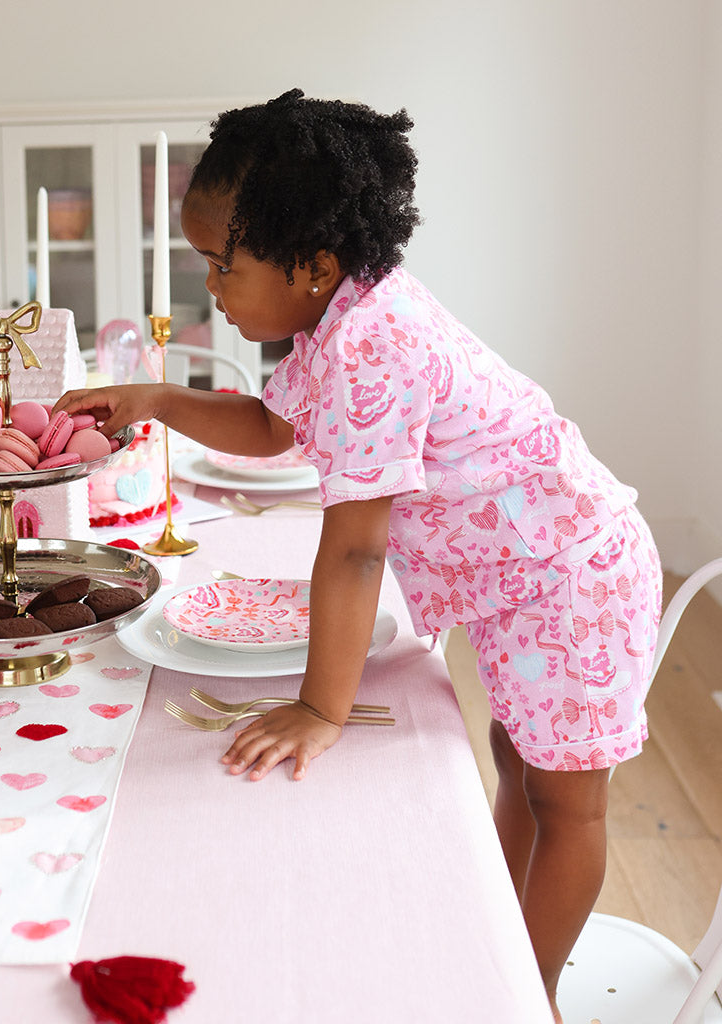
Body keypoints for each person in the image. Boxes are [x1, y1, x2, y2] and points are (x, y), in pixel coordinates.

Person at [52, 89, 662, 1021]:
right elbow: (268, 424)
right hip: (524, 580)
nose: (210, 286)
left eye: (222, 262)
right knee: (514, 760)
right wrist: (158, 400)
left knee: (568, 802)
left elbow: (353, 553)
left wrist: (319, 709)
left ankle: (524, 993)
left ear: (313, 262)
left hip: (571, 577)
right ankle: (494, 928)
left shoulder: (372, 344)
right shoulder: (339, 318)